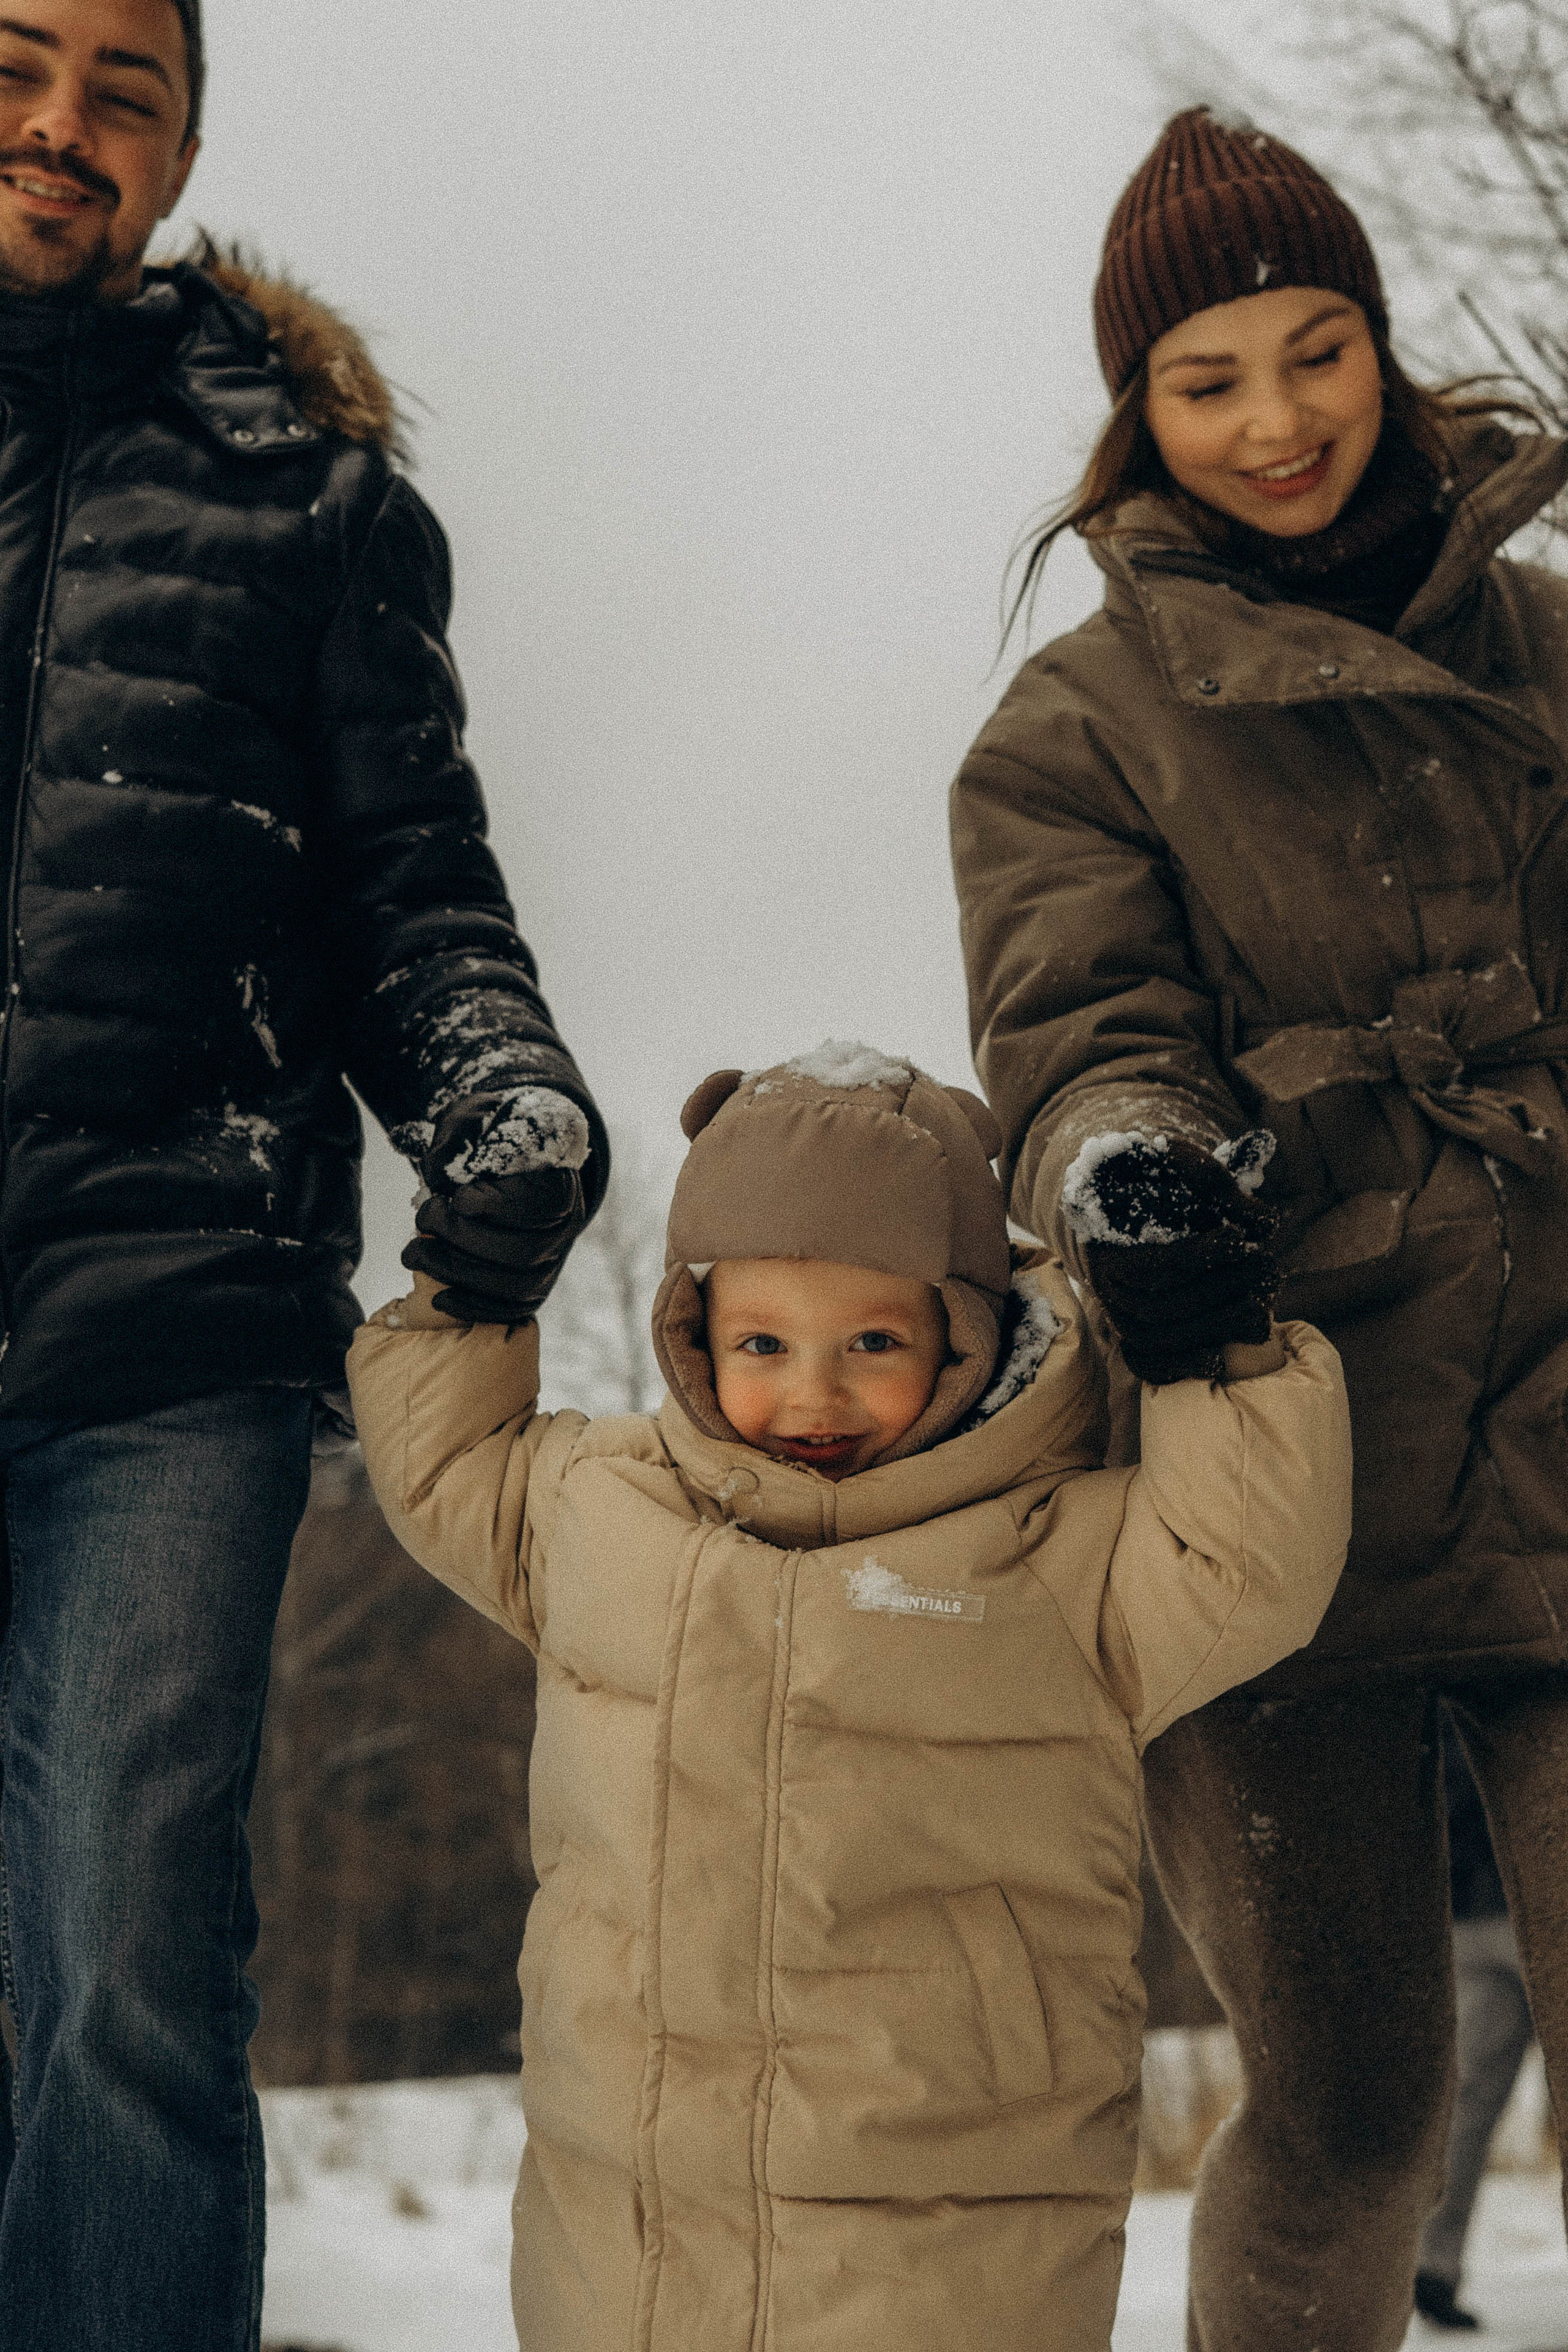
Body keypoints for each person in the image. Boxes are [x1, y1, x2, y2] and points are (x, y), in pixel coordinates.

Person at [0, 5, 606, 2349]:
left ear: (173, 154)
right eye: (21, 63)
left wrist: (493, 1086)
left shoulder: (306, 492)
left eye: (121, 92)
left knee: (127, 1956)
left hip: (173, 1327)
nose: (61, 125)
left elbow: (411, 888)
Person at [951, 102, 1568, 2352]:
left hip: (1556, 1398)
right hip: (1266, 1454)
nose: (1276, 418)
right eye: (1206, 379)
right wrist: (1133, 1169)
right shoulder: (1067, 735)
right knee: (1343, 2096)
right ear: (1138, 416)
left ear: (1379, 353)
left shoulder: (1540, 653)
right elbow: (1074, 1023)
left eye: (1314, 352)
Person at [347, 1043, 1352, 2352]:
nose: (810, 1391)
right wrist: (469, 1294)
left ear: (964, 1332)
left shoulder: (1060, 1554)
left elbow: (1247, 1559)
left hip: (958, 2219)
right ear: (689, 1333)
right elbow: (446, 1462)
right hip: (627, 2224)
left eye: (872, 1340)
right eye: (761, 1341)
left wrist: (1210, 1351)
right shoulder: (601, 1514)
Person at [1415, 1709, 1539, 2332]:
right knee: (1468, 2096)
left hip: (1464, 1910)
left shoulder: (1433, 1670)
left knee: (1467, 2096)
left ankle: (1431, 2262)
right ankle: (1429, 2264)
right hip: (1536, 1901)